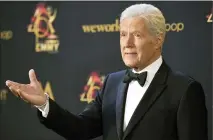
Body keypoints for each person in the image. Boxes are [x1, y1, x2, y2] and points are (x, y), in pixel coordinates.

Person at [5, 3, 208, 140]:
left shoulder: (184, 90)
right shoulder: (112, 82)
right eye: (123, 34)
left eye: (136, 35)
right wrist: (44, 104)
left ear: (158, 39)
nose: (127, 43)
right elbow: (81, 129)